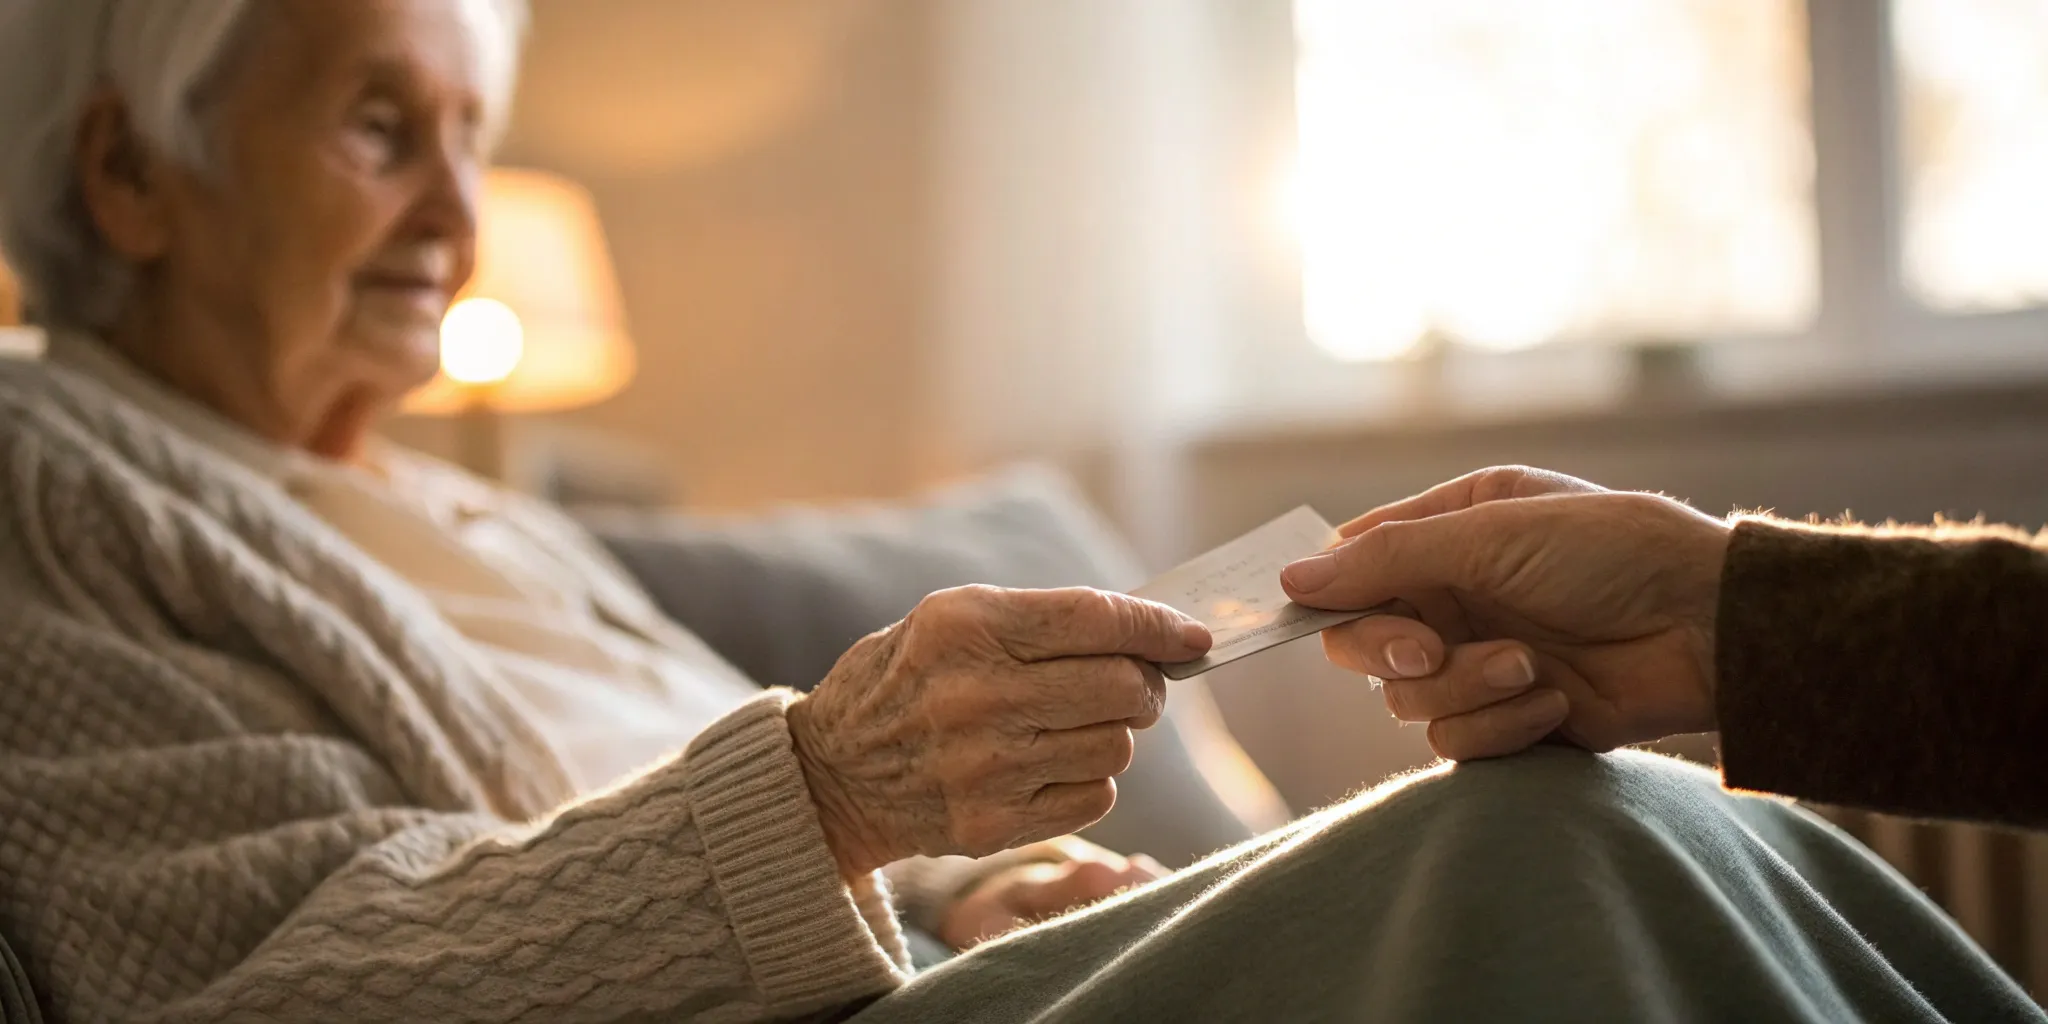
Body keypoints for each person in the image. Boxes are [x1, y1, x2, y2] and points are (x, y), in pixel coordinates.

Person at [0, 1, 2036, 1022]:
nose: (457, 215)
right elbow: (267, 985)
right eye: (380, 127)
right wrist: (824, 789)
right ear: (126, 177)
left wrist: (959, 892)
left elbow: (749, 879)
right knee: (1556, 857)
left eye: (472, 132)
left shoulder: (486, 524)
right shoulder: (48, 479)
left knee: (1630, 830)